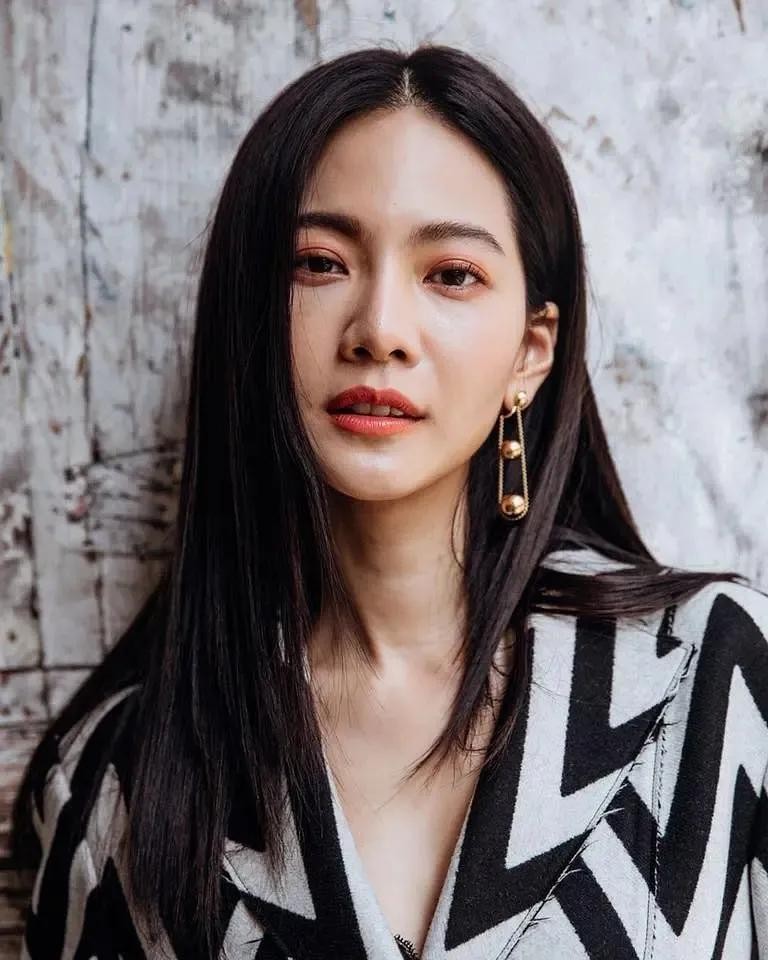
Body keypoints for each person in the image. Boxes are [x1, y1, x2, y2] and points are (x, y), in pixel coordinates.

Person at [10, 43, 768, 960]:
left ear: (530, 353)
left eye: (451, 274)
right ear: (251, 317)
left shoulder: (720, 680)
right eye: (320, 263)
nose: (379, 330)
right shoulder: (117, 786)